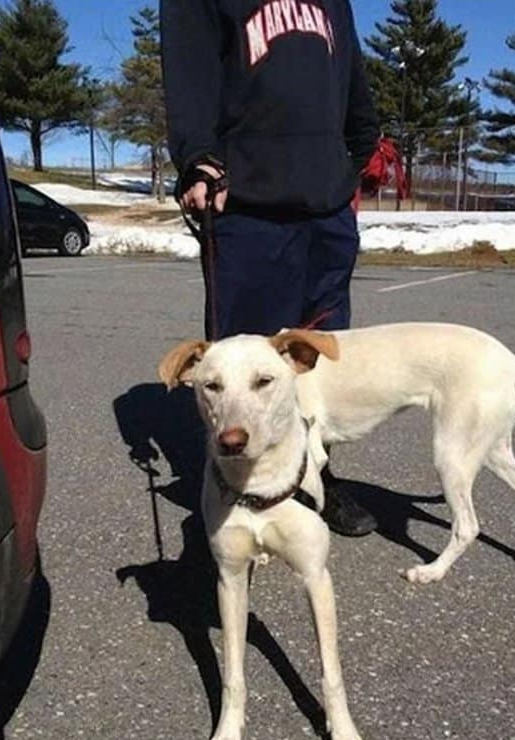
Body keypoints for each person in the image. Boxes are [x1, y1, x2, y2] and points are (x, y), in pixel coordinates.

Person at [160, 0, 380, 536]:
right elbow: (188, 73)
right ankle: (239, 492)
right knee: (245, 362)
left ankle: (316, 479)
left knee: (317, 362)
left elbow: (351, 75)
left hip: (326, 206)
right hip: (248, 206)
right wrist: (198, 156)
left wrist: (357, 152)